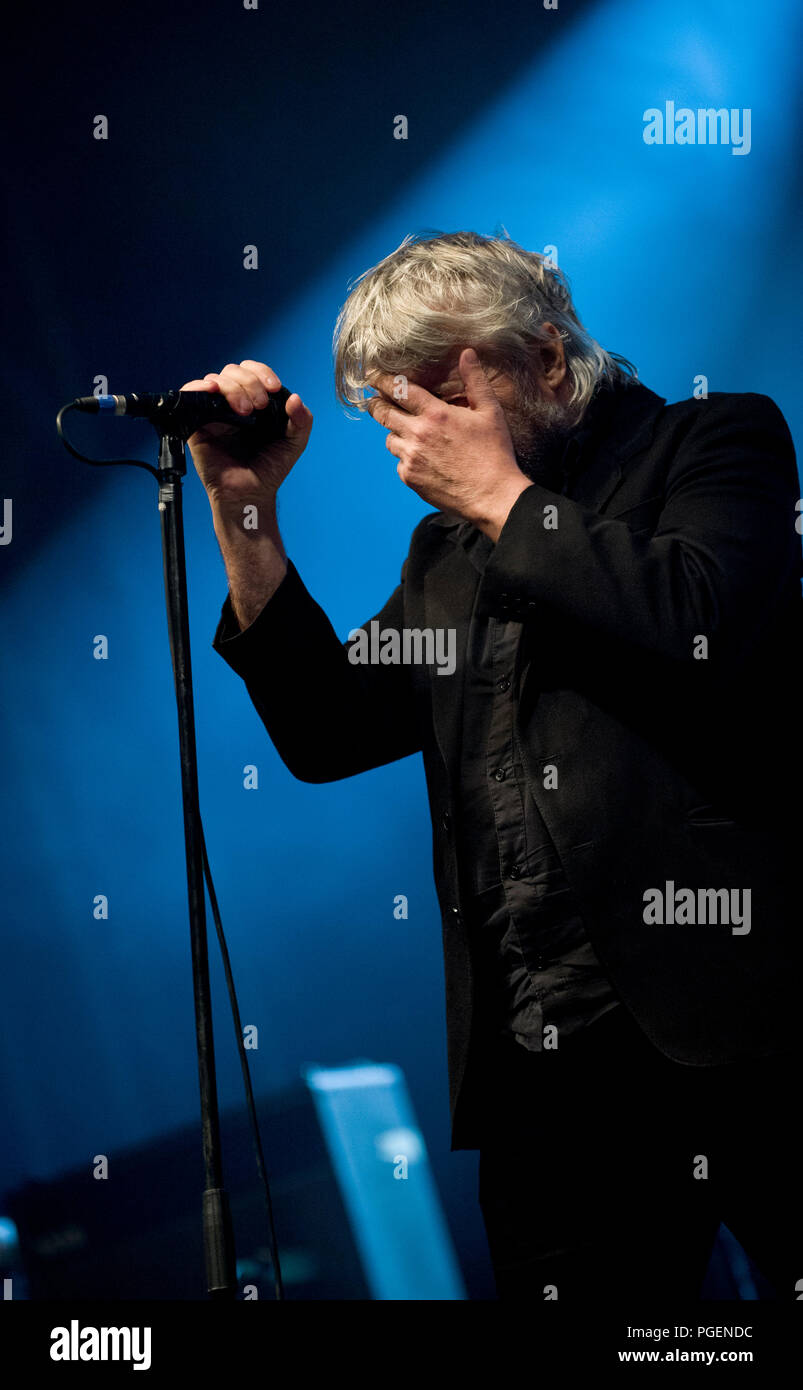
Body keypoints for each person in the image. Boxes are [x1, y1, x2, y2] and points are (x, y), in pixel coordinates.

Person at [185, 231, 803, 1301]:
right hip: (545, 1066)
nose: (417, 432)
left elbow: (697, 618)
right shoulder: (447, 557)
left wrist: (503, 498)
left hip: (744, 1030)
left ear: (547, 360)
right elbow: (328, 731)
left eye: (439, 389)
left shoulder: (713, 441)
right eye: (394, 407)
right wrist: (245, 508)